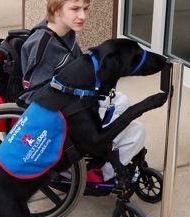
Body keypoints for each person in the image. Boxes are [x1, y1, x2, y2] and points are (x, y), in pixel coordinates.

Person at [20, 0, 145, 182]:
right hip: (61, 114)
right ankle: (104, 172)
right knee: (136, 131)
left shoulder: (66, 33)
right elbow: (33, 95)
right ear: (56, 10)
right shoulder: (43, 44)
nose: (83, 16)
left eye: (86, 9)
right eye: (75, 9)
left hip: (75, 100)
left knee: (122, 101)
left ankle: (103, 151)